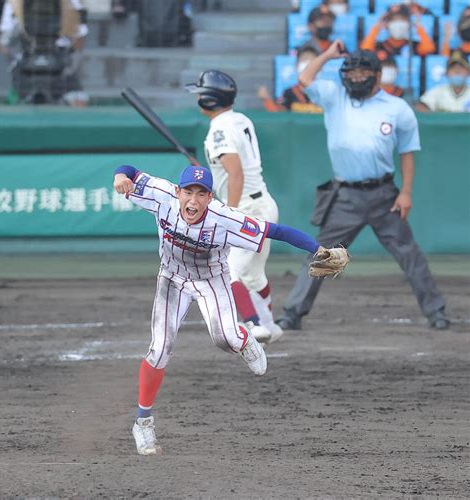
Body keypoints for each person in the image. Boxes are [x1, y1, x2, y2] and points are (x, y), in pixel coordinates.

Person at [112, 164, 339, 455]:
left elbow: (276, 231)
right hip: (171, 278)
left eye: (201, 194)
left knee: (226, 339)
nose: (193, 200)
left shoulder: (225, 219)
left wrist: (317, 249)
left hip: (211, 281)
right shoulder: (162, 195)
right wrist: (120, 176)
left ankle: (245, 341)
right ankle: (143, 423)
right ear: (178, 191)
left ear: (210, 198)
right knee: (159, 349)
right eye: (188, 192)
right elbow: (129, 171)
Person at [276, 41, 450, 332]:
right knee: (322, 255)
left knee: (409, 253)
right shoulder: (335, 96)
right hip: (345, 195)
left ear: (377, 75)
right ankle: (292, 313)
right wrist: (329, 55)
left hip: (384, 195)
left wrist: (406, 192)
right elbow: (305, 79)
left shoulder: (398, 109)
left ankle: (437, 312)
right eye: (351, 72)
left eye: (362, 72)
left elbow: (408, 153)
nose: (356, 77)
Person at [185, 70, 283, 344]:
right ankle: (269, 325)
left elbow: (236, 173)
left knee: (225, 269)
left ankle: (254, 324)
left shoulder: (219, 129)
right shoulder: (239, 118)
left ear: (210, 99)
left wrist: (231, 213)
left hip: (247, 209)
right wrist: (209, 171)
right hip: (262, 204)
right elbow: (231, 170)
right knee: (253, 274)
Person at [0, 0, 88, 106]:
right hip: (27, 62)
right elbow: (3, 40)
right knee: (13, 105)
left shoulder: (71, 2)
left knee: (80, 101)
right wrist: (16, 60)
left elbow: (79, 37)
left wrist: (71, 66)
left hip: (61, 62)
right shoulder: (14, 2)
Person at [258, 46, 323, 113]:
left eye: (312, 60)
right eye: (304, 60)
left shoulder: (325, 92)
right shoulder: (289, 93)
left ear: (320, 67)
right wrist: (266, 100)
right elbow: (279, 113)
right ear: (296, 66)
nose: (307, 64)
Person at [361, 4, 435, 58]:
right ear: (387, 24)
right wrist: (377, 28)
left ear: (409, 24)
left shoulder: (413, 45)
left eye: (402, 20)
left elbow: (428, 49)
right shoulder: (380, 45)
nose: (398, 23)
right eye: (394, 20)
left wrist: (418, 27)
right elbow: (365, 50)